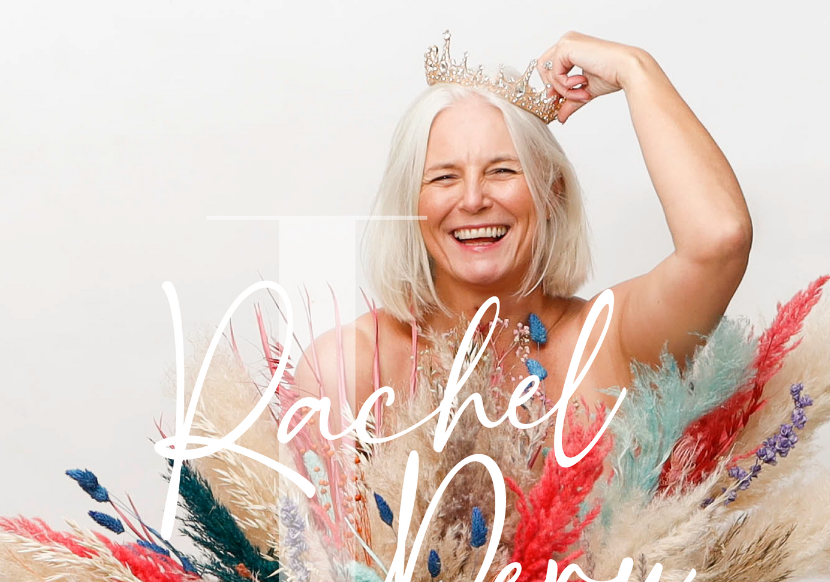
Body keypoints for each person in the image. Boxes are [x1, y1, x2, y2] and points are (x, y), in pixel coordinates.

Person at [295, 30, 753, 420]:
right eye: (444, 177)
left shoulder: (608, 343)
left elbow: (719, 240)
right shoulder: (350, 367)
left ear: (551, 192)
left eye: (502, 171)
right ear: (411, 203)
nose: (473, 200)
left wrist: (635, 68)